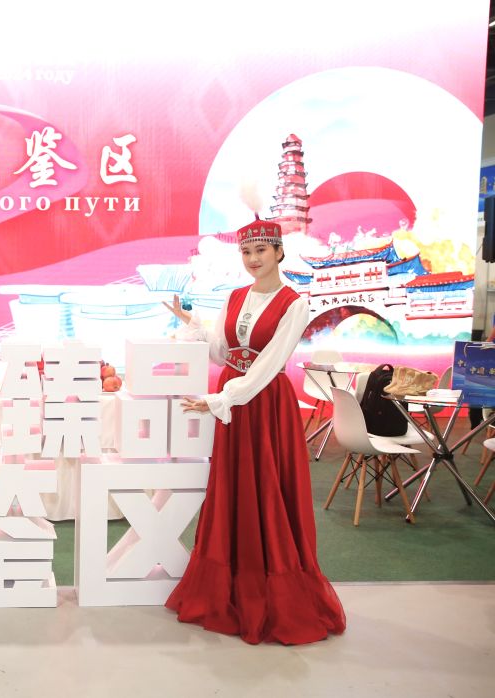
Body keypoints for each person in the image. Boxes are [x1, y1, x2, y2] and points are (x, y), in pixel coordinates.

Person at [161, 215, 346, 645]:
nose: (252, 259)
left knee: (266, 488)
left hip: (264, 403)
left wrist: (222, 398)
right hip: (234, 399)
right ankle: (230, 587)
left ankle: (271, 590)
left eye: (260, 250)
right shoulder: (236, 296)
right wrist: (193, 325)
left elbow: (268, 363)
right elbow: (224, 352)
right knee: (233, 488)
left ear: (279, 252)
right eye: (246, 251)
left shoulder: (294, 303)